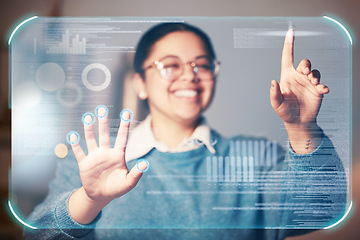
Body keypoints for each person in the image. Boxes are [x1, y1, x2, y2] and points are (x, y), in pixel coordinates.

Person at [24, 22, 346, 240]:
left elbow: (322, 209)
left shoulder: (253, 158)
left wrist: (301, 125)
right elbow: (37, 233)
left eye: (201, 65)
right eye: (170, 65)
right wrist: (88, 200)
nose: (190, 76)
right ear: (140, 83)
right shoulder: (93, 160)